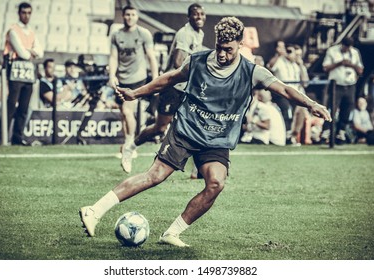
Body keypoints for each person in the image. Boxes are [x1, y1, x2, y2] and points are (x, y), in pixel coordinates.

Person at [79, 17, 331, 247]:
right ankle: (94, 210)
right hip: (186, 129)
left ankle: (171, 233)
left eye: (228, 49)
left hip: (217, 137)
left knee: (216, 183)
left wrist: (312, 104)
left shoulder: (252, 71)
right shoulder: (198, 61)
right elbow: (169, 78)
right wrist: (135, 92)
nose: (222, 53)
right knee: (154, 176)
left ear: (240, 45)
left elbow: (285, 90)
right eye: (219, 47)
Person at [121, 3, 206, 174]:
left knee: (196, 123)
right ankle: (130, 147)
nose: (199, 17)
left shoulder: (200, 33)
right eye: (196, 14)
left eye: (202, 14)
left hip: (188, 89)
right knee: (159, 128)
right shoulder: (184, 34)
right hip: (173, 87)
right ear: (188, 17)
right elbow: (178, 63)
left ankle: (198, 169)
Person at [109, 5, 159, 172]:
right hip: (121, 79)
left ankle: (130, 145)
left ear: (137, 16)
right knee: (124, 114)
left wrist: (156, 79)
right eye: (127, 15)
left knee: (126, 110)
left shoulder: (143, 33)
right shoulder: (117, 35)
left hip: (138, 78)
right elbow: (114, 57)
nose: (130, 17)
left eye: (132, 14)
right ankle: (128, 143)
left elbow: (151, 57)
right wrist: (112, 75)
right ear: (122, 16)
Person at [4, 2, 44, 145]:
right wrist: (30, 51)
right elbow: (22, 53)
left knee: (23, 108)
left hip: (28, 75)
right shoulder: (13, 30)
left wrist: (29, 51)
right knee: (10, 106)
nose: (26, 16)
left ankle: (17, 138)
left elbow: (40, 52)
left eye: (29, 13)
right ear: (19, 13)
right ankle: (2, 137)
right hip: (15, 72)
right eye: (24, 13)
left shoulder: (31, 32)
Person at [320, 37, 364, 144]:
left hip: (350, 85)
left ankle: (341, 133)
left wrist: (350, 64)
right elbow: (325, 68)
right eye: (345, 46)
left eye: (349, 47)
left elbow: (360, 70)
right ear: (342, 44)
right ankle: (326, 132)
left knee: (347, 109)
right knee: (332, 109)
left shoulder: (354, 52)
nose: (347, 49)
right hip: (336, 85)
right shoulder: (332, 51)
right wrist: (340, 63)